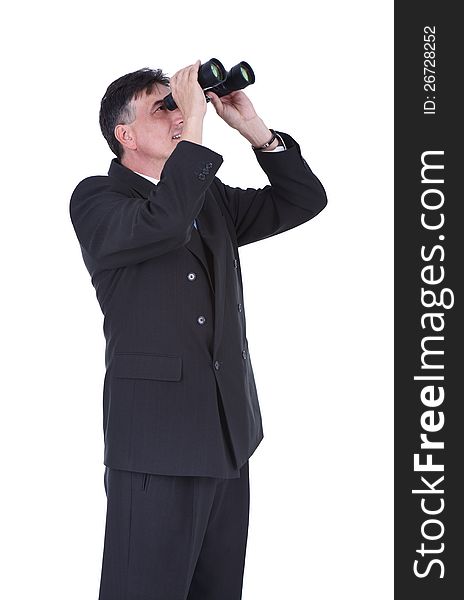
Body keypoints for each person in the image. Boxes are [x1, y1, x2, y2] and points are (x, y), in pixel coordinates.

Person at [69, 59, 327, 600]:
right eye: (164, 107)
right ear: (126, 135)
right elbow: (161, 224)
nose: (179, 113)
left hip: (227, 436)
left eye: (179, 102)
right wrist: (197, 135)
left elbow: (303, 200)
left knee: (217, 591)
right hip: (155, 447)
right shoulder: (98, 199)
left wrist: (255, 131)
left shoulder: (209, 200)